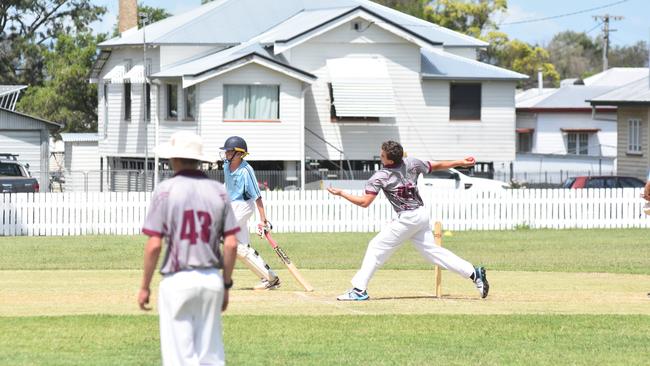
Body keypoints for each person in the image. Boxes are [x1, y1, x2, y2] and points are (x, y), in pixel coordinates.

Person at [327, 140, 489, 301]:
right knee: (432, 253)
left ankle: (359, 290)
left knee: (376, 247)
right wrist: (460, 162)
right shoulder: (411, 162)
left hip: (408, 218)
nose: (380, 156)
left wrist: (342, 193)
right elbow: (436, 166)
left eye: (382, 155)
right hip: (421, 214)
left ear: (390, 160)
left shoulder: (381, 176)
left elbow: (364, 202)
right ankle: (474, 273)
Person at [138, 131, 239, 365]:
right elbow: (231, 243)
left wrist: (144, 286)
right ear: (198, 159)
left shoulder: (165, 190)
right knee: (210, 355)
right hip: (211, 279)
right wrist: (226, 284)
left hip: (178, 278)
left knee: (179, 357)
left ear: (174, 159)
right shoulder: (219, 191)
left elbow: (154, 245)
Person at [220, 136, 281, 290]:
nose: (226, 154)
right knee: (241, 249)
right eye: (226, 151)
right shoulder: (226, 166)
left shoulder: (246, 170)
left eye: (229, 151)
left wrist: (263, 220)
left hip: (244, 205)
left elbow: (257, 196)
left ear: (239, 153)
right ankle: (270, 278)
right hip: (232, 206)